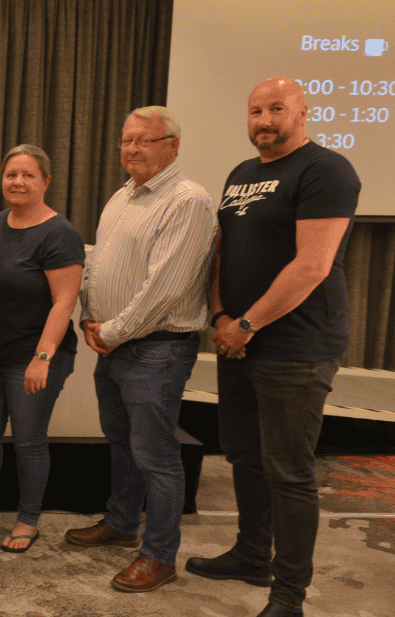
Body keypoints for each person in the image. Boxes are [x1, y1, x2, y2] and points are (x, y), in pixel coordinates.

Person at [187, 77, 360, 617]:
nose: (264, 120)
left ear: (303, 112)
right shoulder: (242, 174)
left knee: (288, 469)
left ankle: (289, 593)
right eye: (256, 110)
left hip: (296, 346)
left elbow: (312, 265)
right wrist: (221, 317)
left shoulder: (326, 170)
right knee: (244, 455)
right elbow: (223, 254)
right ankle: (251, 554)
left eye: (277, 109)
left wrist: (248, 325)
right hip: (239, 339)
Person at [66, 106, 217, 592]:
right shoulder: (123, 195)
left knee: (155, 454)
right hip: (113, 342)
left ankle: (160, 556)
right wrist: (90, 316)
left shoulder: (188, 201)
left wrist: (110, 332)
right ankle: (122, 522)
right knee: (122, 442)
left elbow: (165, 289)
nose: (132, 149)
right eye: (126, 140)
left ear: (172, 145)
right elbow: (98, 263)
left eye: (144, 141)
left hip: (155, 348)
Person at [0, 145, 84, 553]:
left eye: (28, 175)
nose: (18, 182)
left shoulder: (59, 233)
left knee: (28, 442)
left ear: (45, 182)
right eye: (11, 175)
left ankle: (28, 519)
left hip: (34, 357)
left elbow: (65, 302)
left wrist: (42, 358)